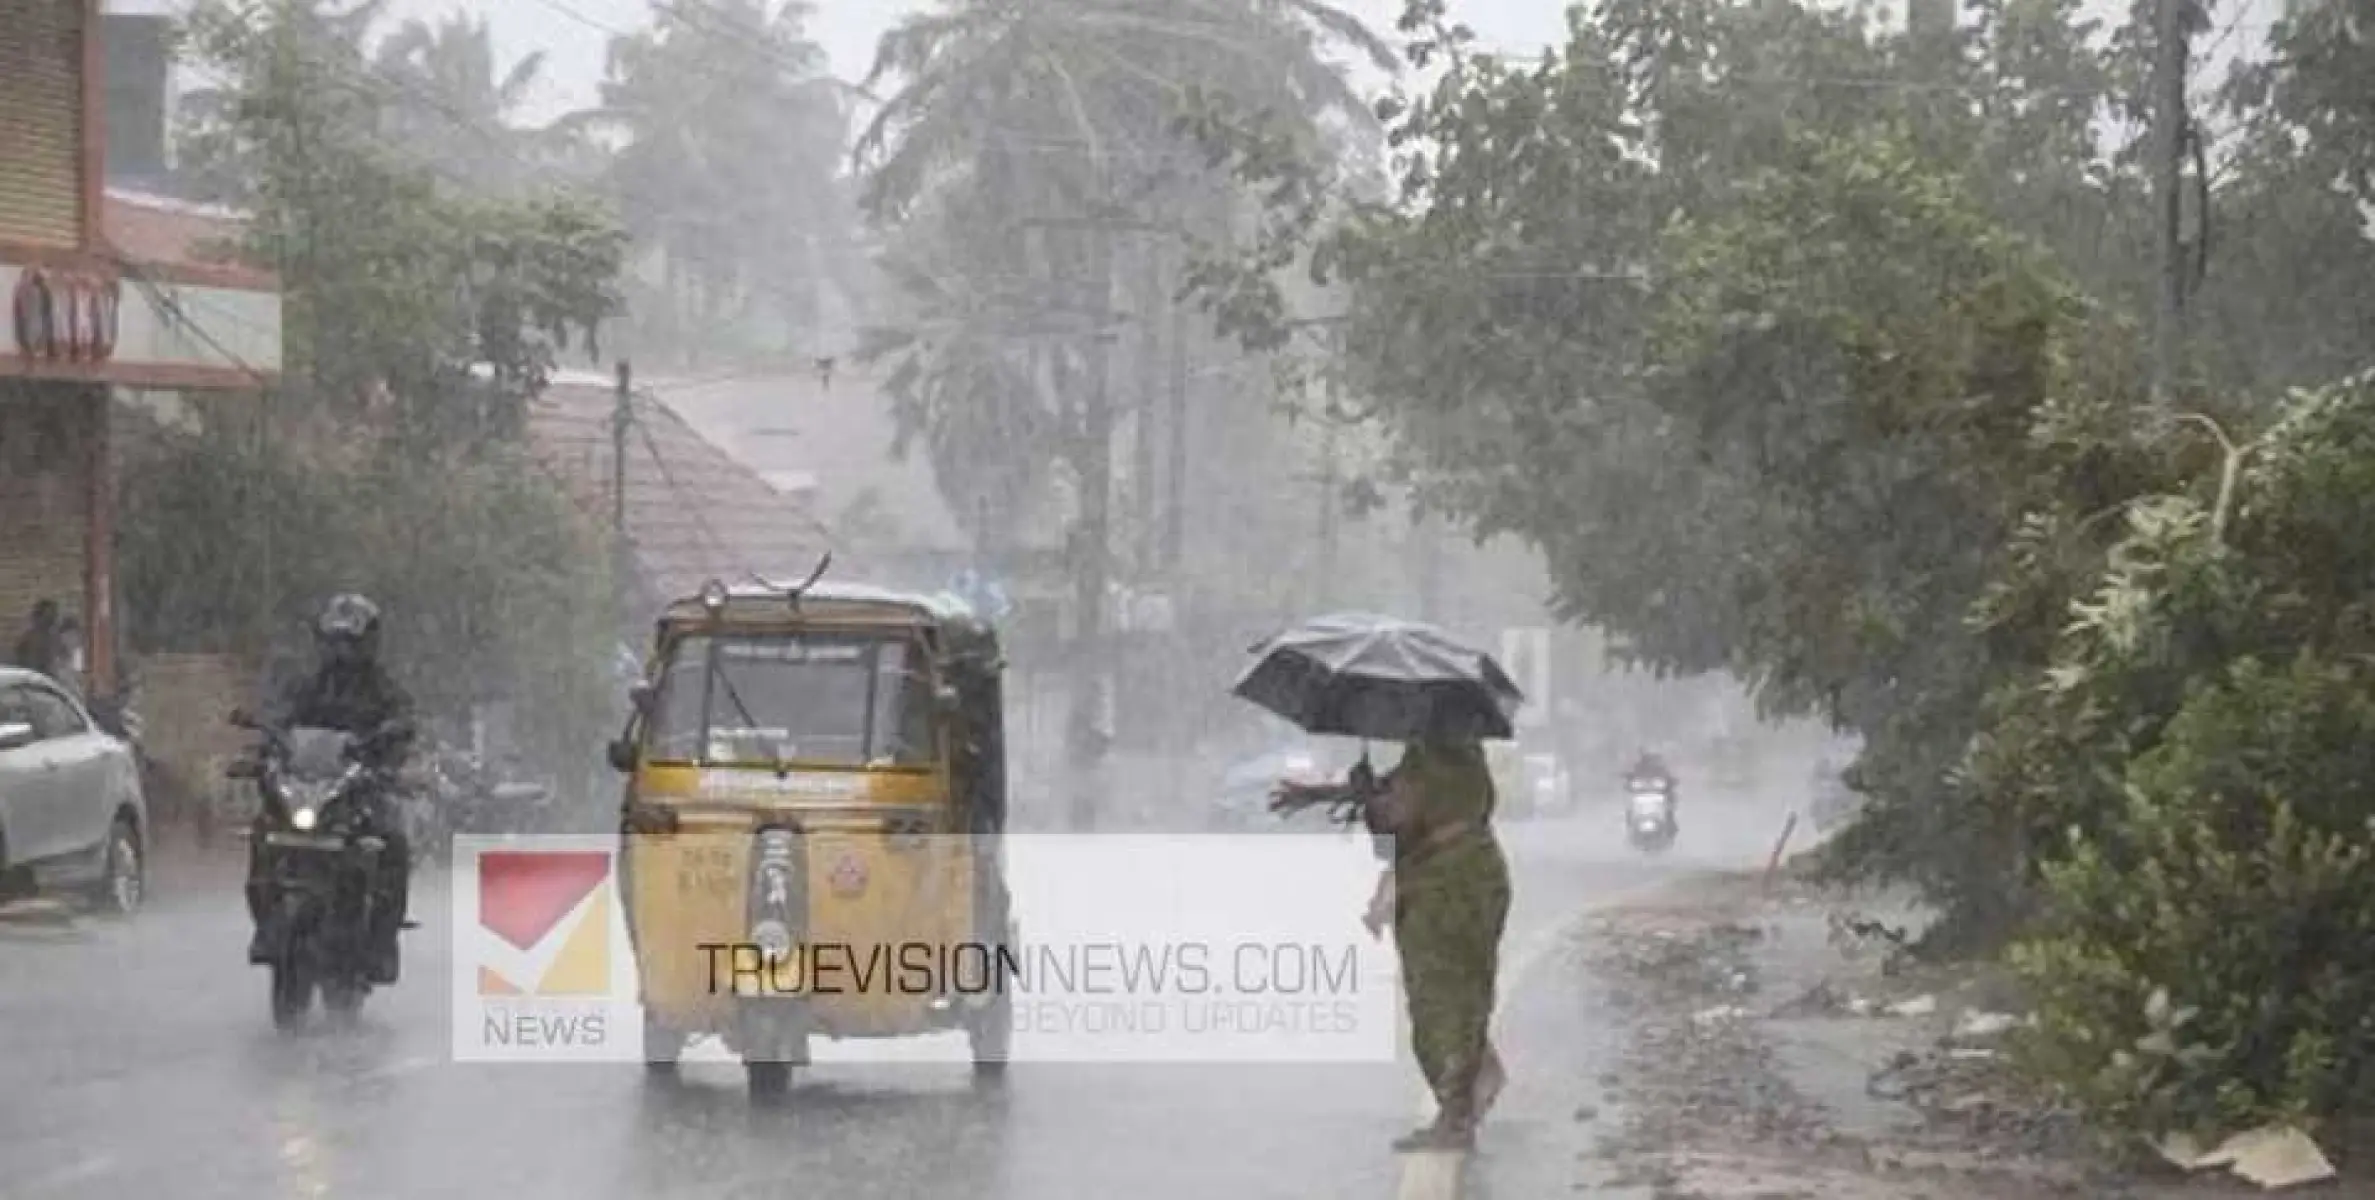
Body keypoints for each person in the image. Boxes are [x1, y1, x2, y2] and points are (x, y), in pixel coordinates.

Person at [1285, 738, 1512, 1151]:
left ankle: (1457, 1111)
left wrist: (1366, 796)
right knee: (1465, 994)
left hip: (1444, 886)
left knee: (1437, 1001)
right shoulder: (1460, 756)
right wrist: (1355, 792)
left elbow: (1397, 819)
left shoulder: (1432, 757)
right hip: (1476, 877)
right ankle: (1465, 1093)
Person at [245, 593, 416, 982]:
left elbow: (403, 717)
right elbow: (284, 719)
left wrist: (389, 741)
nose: (342, 651)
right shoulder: (312, 685)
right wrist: (269, 741)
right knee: (263, 832)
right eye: (335, 642)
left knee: (392, 841)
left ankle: (381, 944)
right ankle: (267, 924)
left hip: (362, 785)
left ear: (368, 642)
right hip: (313, 785)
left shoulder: (382, 687)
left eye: (350, 642)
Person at [10, 599, 62, 677]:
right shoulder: (30, 636)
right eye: (50, 614)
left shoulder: (53, 636)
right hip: (33, 676)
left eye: (55, 614)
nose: (54, 618)